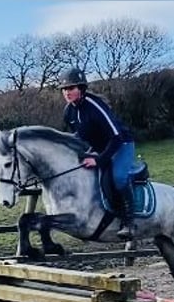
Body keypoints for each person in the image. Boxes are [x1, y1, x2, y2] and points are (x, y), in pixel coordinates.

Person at [58, 67, 137, 239]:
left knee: (118, 177)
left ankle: (129, 222)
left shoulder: (94, 106)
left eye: (71, 88)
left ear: (81, 88)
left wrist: (99, 160)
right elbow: (78, 137)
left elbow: (116, 136)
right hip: (100, 146)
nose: (67, 92)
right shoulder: (68, 111)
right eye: (64, 89)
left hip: (122, 144)